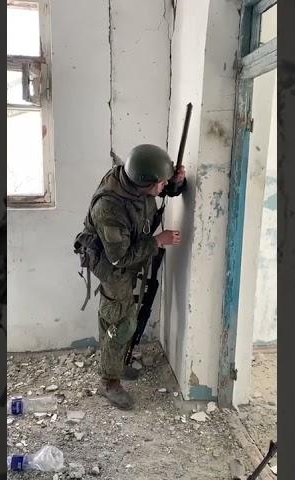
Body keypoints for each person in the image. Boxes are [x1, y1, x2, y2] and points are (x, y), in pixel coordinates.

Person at [78, 144, 186, 409]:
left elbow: (156, 193)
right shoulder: (109, 207)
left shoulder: (133, 180)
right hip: (111, 261)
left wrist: (175, 183)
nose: (163, 186)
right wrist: (157, 241)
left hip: (128, 250)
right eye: (160, 182)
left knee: (126, 315)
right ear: (144, 183)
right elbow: (119, 258)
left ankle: (116, 361)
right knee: (119, 321)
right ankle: (108, 382)